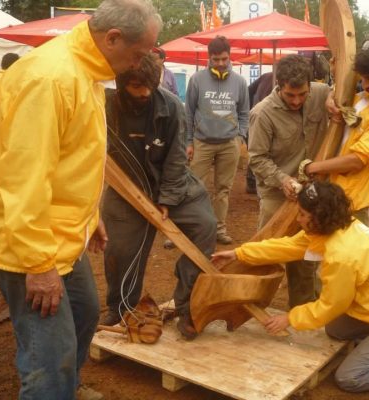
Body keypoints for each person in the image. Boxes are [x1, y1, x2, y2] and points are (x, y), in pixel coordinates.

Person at [0, 1, 161, 399]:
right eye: (138, 54)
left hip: (65, 233)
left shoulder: (87, 72)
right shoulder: (51, 78)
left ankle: (68, 386)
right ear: (113, 38)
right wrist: (38, 265)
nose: (140, 63)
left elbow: (72, 158)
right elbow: (24, 179)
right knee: (49, 358)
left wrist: (91, 216)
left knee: (85, 316)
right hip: (30, 245)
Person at [212, 181, 369, 395]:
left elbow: (332, 304)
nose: (298, 219)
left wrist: (290, 318)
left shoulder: (342, 255)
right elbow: (287, 247)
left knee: (350, 377)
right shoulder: (335, 227)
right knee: (336, 330)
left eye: (301, 214)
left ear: (317, 217)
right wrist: (239, 253)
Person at [101, 53, 217, 341]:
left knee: (205, 226)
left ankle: (187, 306)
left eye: (150, 86)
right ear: (121, 82)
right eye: (137, 86)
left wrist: (167, 198)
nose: (145, 93)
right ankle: (121, 307)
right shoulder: (104, 106)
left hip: (174, 185)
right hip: (125, 189)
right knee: (118, 251)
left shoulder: (171, 106)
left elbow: (177, 158)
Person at [248, 55, 331, 307]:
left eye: (302, 94)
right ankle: (250, 306)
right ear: (278, 85)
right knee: (267, 254)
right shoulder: (262, 114)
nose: (297, 101)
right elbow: (257, 159)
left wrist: (333, 100)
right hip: (277, 196)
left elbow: (338, 94)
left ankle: (304, 311)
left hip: (313, 194)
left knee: (306, 258)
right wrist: (283, 180)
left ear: (310, 85)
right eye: (289, 95)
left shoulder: (321, 92)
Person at [303, 38, 369, 225]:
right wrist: (330, 97)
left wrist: (312, 167)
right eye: (363, 77)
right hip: (328, 192)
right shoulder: (365, 95)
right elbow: (341, 94)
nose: (365, 84)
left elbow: (358, 160)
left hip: (350, 203)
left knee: (348, 253)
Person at [185, 36, 249, 245]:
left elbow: (244, 113)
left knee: (223, 189)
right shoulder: (196, 80)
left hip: (229, 143)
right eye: (216, 59)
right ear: (209, 58)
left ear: (229, 57)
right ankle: (188, 230)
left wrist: (240, 136)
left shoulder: (239, 82)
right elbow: (188, 113)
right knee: (193, 187)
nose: (220, 63)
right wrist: (188, 142)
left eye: (224, 59)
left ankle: (219, 229)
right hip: (201, 142)